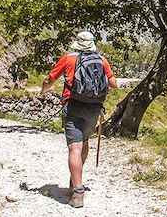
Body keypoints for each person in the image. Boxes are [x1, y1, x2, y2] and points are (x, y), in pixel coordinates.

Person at [40, 31, 117, 208]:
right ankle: (76, 180)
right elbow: (113, 84)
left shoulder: (68, 59)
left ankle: (77, 192)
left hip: (73, 105)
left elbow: (49, 79)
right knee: (84, 142)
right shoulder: (102, 60)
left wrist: (43, 91)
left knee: (74, 147)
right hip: (94, 109)